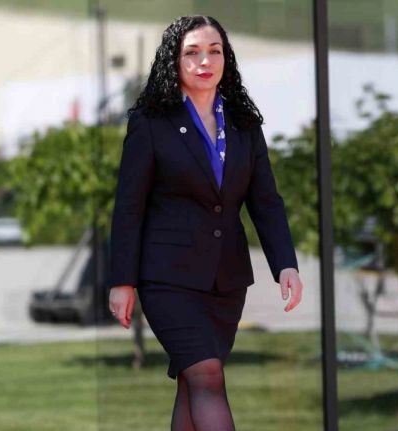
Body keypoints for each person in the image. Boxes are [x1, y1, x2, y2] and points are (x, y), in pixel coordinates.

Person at [106, 15, 304, 431]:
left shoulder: (244, 125)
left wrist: (285, 263)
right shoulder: (150, 123)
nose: (204, 61)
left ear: (226, 59)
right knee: (208, 375)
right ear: (173, 61)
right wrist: (122, 280)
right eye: (192, 53)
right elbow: (129, 206)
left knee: (193, 383)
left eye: (214, 51)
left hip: (226, 282)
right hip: (167, 279)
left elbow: (266, 202)